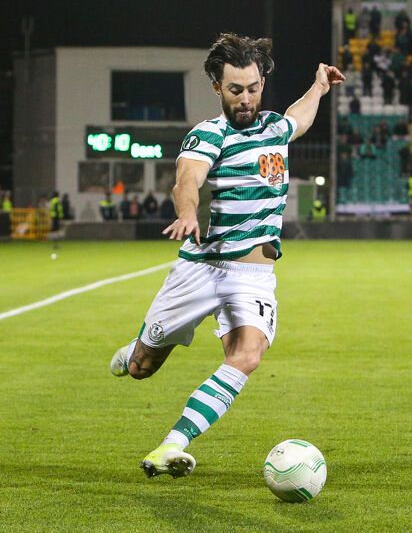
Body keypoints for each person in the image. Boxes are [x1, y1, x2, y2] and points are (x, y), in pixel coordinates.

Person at [108, 33, 344, 479]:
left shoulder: (275, 128)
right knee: (141, 369)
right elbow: (188, 179)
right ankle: (133, 351)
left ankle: (171, 445)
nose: (246, 98)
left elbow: (299, 119)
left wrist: (319, 87)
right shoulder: (208, 134)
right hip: (201, 268)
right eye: (236, 89)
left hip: (252, 276)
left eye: (253, 88)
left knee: (248, 354)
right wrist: (187, 213)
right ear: (218, 87)